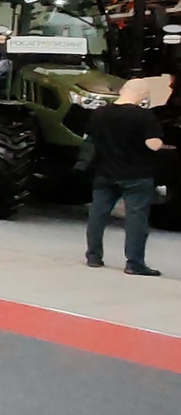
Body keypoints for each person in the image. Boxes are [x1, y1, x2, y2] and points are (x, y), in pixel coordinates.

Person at [85, 77, 169, 275]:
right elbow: (154, 144)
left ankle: (94, 256)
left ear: (123, 90)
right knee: (136, 219)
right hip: (136, 175)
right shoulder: (144, 117)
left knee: (97, 215)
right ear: (143, 95)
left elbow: (89, 139)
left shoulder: (99, 113)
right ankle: (134, 263)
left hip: (105, 172)